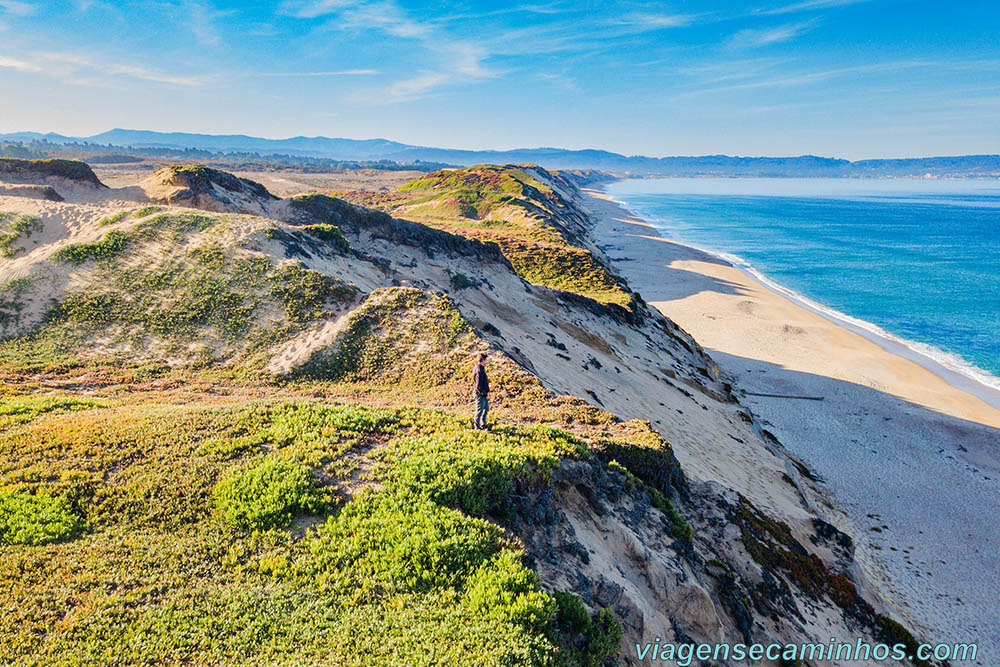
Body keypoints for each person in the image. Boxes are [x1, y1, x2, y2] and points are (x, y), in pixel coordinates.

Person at [473, 352, 490, 430]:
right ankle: (477, 427)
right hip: (480, 394)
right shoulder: (479, 371)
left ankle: (483, 424)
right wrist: (485, 394)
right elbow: (478, 386)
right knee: (479, 410)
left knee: (486, 409)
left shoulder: (480, 368)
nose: (486, 361)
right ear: (482, 360)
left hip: (484, 393)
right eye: (485, 360)